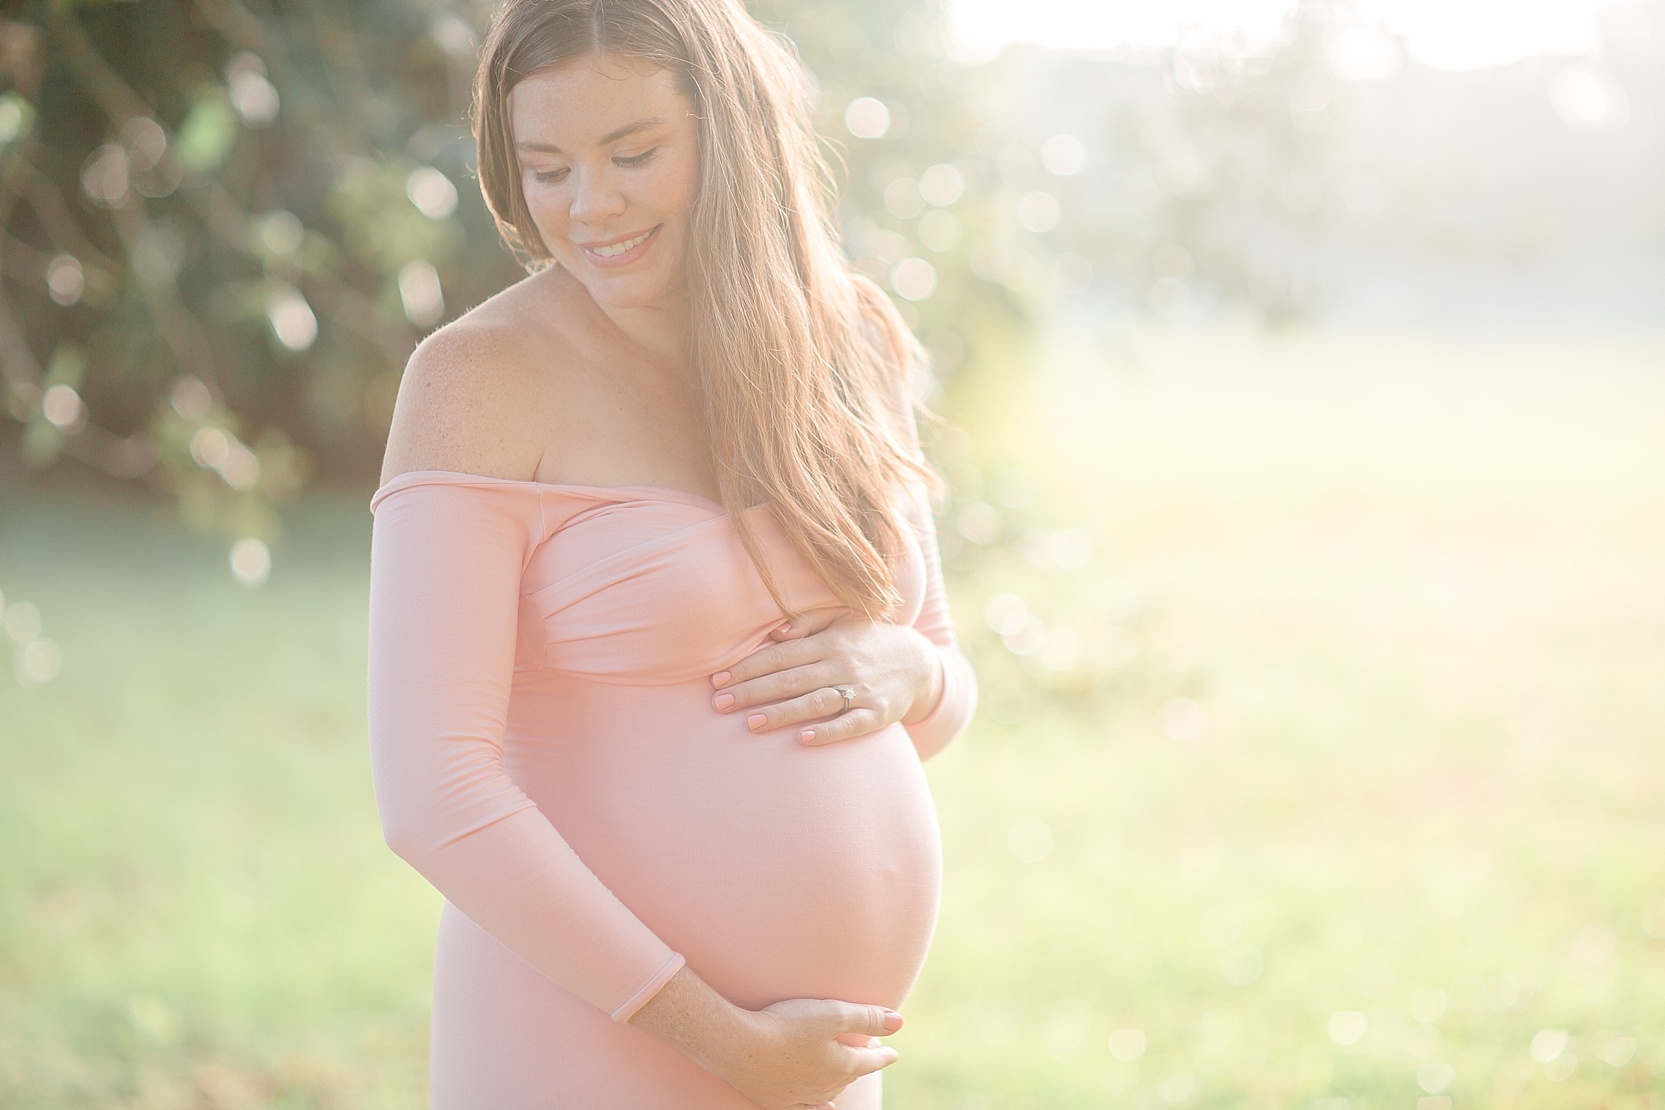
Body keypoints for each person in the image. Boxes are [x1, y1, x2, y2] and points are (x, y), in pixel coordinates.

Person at [365, 0, 978, 1105]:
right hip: (586, 1036)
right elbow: (434, 795)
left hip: (823, 1066)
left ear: (730, 131)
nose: (589, 207)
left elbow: (935, 691)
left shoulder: (851, 341)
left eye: (633, 153)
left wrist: (914, 671)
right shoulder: (478, 380)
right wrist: (723, 1040)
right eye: (546, 167)